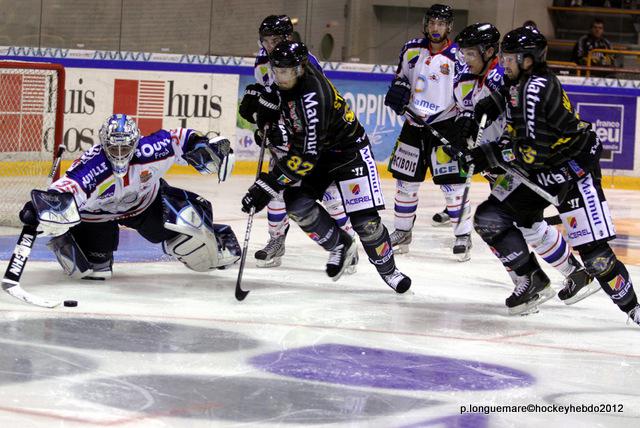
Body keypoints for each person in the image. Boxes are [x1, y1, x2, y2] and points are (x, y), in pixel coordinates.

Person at [469, 26, 639, 324]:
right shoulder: (519, 82)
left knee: (595, 255)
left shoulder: (535, 90)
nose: (503, 63)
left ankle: (634, 309)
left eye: (510, 58)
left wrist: (492, 154)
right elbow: (508, 101)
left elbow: (535, 152)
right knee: (490, 218)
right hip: (540, 169)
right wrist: (487, 106)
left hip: (571, 169)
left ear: (528, 60)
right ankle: (533, 279)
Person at [241, 41, 411, 292]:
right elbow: (282, 115)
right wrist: (261, 113)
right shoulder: (288, 81)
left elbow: (305, 155)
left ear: (299, 69)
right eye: (276, 71)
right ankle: (340, 245)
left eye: (286, 72)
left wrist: (268, 184)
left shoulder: (313, 99)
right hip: (321, 154)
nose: (280, 77)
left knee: (366, 223)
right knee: (297, 205)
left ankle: (390, 271)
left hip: (349, 152)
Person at [452, 22, 598, 305]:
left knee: (499, 221)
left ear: (488, 52)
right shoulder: (472, 78)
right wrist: (464, 127)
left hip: (515, 161)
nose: (465, 59)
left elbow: (519, 124)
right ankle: (571, 273)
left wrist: (495, 152)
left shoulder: (504, 78)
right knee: (525, 223)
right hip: (501, 162)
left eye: (471, 54)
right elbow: (472, 112)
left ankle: (529, 280)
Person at [19, 114, 241, 280]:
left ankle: (218, 236)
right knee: (95, 272)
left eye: (125, 147)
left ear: (136, 142)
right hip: (98, 216)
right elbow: (69, 188)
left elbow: (179, 138)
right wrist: (41, 206)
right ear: (103, 143)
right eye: (113, 147)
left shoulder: (149, 150)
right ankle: (69, 240)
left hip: (145, 206)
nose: (119, 153)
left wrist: (201, 144)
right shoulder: (94, 165)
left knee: (194, 243)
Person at [238, 15, 357, 270]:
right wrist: (262, 117)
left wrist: (283, 129)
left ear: (288, 38)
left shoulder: (306, 63)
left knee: (329, 194)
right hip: (285, 137)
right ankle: (276, 241)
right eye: (266, 41)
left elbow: (306, 109)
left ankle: (348, 243)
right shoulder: (262, 62)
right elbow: (273, 100)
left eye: (276, 40)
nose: (271, 46)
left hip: (309, 141)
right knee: (276, 191)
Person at [384, 3, 472, 261]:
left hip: (445, 125)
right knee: (405, 184)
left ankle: (463, 235)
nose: (435, 28)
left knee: (453, 187)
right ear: (426, 24)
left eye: (441, 24)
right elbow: (401, 77)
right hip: (413, 125)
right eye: (432, 23)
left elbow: (464, 91)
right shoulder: (411, 48)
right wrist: (398, 89)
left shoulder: (459, 56)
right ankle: (402, 231)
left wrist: (465, 119)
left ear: (449, 27)